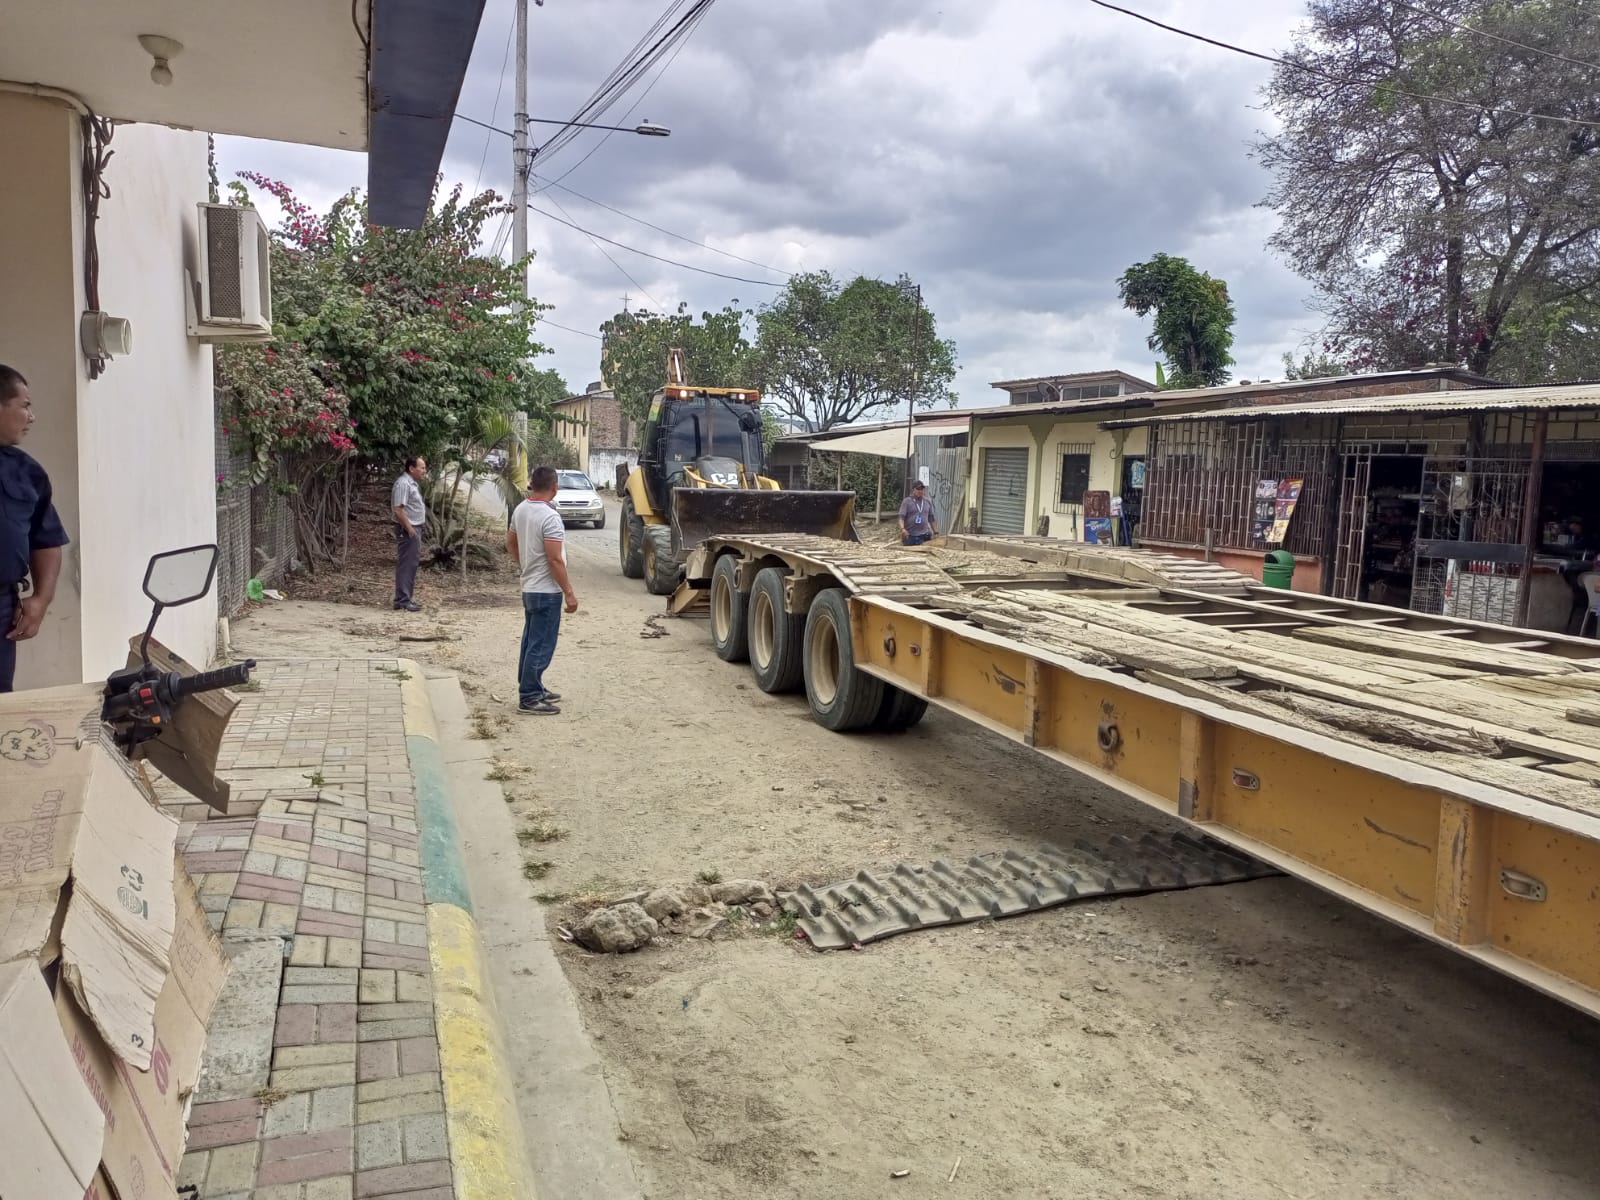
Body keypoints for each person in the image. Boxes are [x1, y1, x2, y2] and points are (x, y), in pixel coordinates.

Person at [0, 365, 69, 692]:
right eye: (25, 405)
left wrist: (41, 599)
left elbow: (45, 539)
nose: (31, 417)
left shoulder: (26, 472)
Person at [507, 464, 578, 715]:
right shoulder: (550, 517)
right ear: (555, 487)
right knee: (541, 644)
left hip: (530, 586)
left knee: (530, 640)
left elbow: (510, 543)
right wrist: (569, 592)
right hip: (546, 590)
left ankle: (532, 685)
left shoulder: (521, 509)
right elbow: (555, 559)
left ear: (532, 485)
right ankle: (529, 696)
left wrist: (525, 564)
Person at [391, 455, 427, 611]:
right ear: (412, 468)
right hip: (409, 530)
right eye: (422, 468)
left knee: (410, 564)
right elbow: (398, 509)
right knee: (407, 565)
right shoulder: (403, 484)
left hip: (413, 528)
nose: (424, 471)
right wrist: (410, 529)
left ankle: (403, 599)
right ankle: (403, 600)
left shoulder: (411, 483)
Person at [898, 479, 938, 546]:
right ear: (913, 490)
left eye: (922, 489)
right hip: (911, 535)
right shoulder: (907, 501)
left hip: (925, 535)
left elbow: (931, 518)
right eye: (918, 489)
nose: (920, 491)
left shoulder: (927, 501)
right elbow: (901, 517)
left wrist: (936, 532)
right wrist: (902, 529)